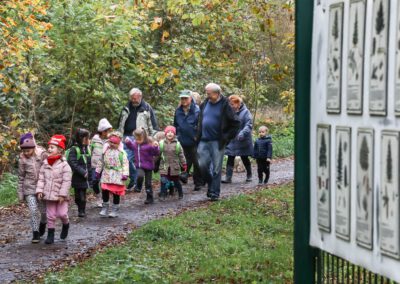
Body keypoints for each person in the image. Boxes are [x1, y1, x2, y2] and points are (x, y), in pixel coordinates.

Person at [197, 83, 240, 201]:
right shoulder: (205, 103)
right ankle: (211, 184)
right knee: (202, 165)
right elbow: (201, 120)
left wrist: (226, 137)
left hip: (217, 142)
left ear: (217, 93)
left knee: (216, 168)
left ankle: (215, 193)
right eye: (207, 93)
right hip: (203, 140)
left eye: (209, 93)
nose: (207, 95)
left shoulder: (225, 105)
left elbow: (236, 123)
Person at [117, 88, 159, 191]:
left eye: (135, 98)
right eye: (132, 98)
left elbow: (153, 125)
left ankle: (135, 182)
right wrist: (118, 136)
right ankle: (134, 180)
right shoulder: (125, 108)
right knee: (125, 159)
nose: (133, 100)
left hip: (141, 138)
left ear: (140, 97)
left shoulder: (147, 108)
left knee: (138, 159)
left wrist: (153, 138)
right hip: (126, 137)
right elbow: (120, 124)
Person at [36, 135, 72, 244]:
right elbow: (41, 178)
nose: (49, 149)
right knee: (50, 215)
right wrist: (39, 190)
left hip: (61, 196)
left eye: (52, 147)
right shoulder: (45, 163)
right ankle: (50, 235)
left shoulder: (64, 165)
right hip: (49, 195)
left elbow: (67, 181)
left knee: (62, 214)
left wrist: (62, 195)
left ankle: (66, 224)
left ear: (60, 150)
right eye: (49, 147)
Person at [17, 132, 48, 243]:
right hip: (29, 188)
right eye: (23, 151)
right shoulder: (22, 160)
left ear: (34, 148)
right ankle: (35, 233)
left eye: (28, 151)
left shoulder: (42, 155)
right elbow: (21, 177)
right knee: (33, 210)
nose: (26, 153)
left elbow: (49, 168)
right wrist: (20, 194)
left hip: (42, 187)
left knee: (44, 212)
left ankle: (43, 223)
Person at [173, 90, 203, 191]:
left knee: (197, 162)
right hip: (181, 140)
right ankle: (184, 177)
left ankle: (198, 182)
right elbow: (175, 125)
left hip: (194, 140)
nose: (184, 100)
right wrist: (176, 135)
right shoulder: (178, 111)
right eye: (182, 98)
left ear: (190, 98)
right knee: (183, 161)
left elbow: (200, 125)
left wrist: (197, 136)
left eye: (185, 98)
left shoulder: (197, 110)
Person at [96, 131, 129, 218]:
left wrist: (125, 174)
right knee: (104, 190)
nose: (112, 144)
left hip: (118, 175)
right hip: (106, 174)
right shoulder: (105, 150)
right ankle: (105, 208)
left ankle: (115, 209)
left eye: (115, 143)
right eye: (111, 142)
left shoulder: (122, 153)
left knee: (116, 193)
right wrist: (98, 171)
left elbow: (125, 163)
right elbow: (101, 161)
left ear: (118, 143)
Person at [222, 95, 254, 183]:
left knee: (244, 157)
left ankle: (249, 175)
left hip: (242, 139)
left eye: (232, 104)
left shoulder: (246, 112)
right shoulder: (229, 112)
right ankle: (228, 178)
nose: (230, 106)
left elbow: (249, 125)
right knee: (230, 157)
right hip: (232, 139)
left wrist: (242, 133)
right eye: (229, 104)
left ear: (238, 104)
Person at [125, 128, 160, 204]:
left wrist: (156, 147)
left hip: (149, 167)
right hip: (140, 166)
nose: (137, 141)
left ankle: (149, 198)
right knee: (140, 176)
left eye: (139, 139)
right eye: (136, 139)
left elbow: (156, 153)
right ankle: (138, 187)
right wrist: (128, 142)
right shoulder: (135, 144)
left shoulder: (149, 145)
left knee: (148, 183)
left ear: (144, 138)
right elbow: (131, 146)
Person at [67, 128, 92, 217]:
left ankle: (82, 211)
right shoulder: (74, 149)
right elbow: (73, 163)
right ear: (80, 138)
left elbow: (89, 163)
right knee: (77, 196)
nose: (88, 140)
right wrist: (83, 172)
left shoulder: (87, 149)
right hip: (77, 177)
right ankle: (79, 206)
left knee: (82, 195)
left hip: (85, 178)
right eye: (86, 138)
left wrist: (90, 174)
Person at [157, 126, 187, 201]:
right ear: (165, 133)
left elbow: (181, 155)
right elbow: (157, 154)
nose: (170, 134)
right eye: (168, 132)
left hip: (174, 167)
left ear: (174, 134)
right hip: (164, 166)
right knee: (163, 180)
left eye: (172, 132)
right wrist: (153, 162)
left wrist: (184, 164)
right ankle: (163, 195)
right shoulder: (161, 143)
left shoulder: (177, 144)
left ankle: (180, 193)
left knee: (176, 181)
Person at [90, 118, 113, 207]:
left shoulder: (110, 141)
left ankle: (104, 199)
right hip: (95, 165)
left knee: (104, 183)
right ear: (103, 131)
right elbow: (90, 151)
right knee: (94, 181)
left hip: (106, 165)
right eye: (108, 131)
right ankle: (98, 196)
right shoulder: (94, 140)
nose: (109, 133)